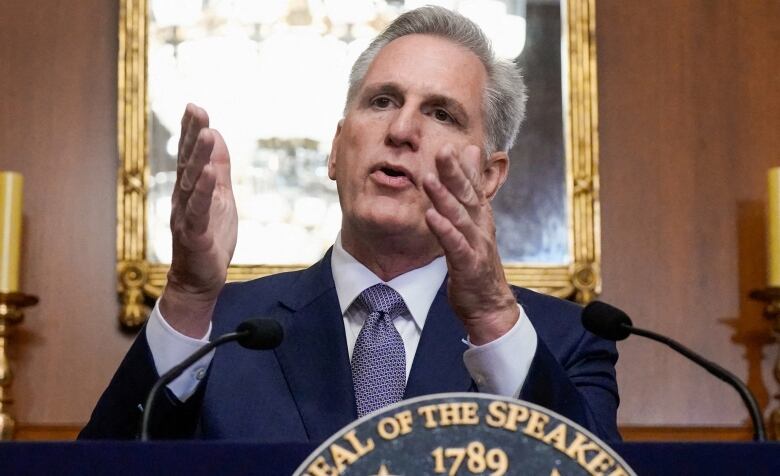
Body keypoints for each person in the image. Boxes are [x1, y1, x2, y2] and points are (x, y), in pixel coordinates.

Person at [81, 6, 619, 442]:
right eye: (382, 101)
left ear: (488, 176)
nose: (402, 129)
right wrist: (189, 295)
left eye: (441, 114)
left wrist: (493, 317)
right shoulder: (222, 330)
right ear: (337, 150)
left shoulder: (563, 341)